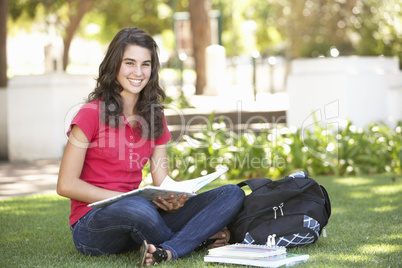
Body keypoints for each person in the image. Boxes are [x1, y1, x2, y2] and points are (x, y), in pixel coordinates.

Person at [57, 27, 245, 267]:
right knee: (137, 208)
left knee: (231, 193)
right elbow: (65, 184)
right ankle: (193, 241)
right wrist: (121, 199)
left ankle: (165, 250)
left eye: (145, 64)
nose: (138, 72)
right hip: (93, 225)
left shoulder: (155, 116)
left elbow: (161, 180)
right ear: (114, 65)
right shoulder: (90, 114)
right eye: (129, 63)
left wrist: (173, 197)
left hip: (142, 217)